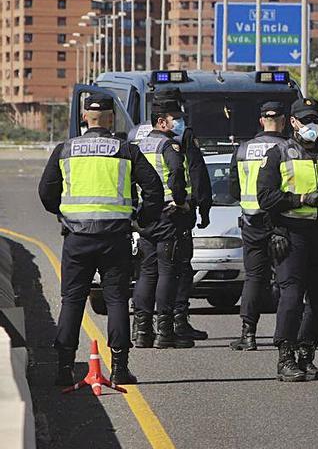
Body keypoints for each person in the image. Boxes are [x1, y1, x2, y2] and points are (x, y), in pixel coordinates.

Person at [39, 94, 164, 386]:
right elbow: (154, 190)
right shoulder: (125, 150)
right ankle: (120, 368)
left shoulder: (65, 149)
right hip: (115, 237)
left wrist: (64, 213)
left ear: (85, 117)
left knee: (72, 300)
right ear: (111, 118)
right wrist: (141, 219)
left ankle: (64, 369)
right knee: (117, 299)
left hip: (77, 237)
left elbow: (46, 193)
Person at [256, 97, 318, 382]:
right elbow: (266, 197)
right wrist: (300, 199)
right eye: (305, 120)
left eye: (315, 119)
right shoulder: (278, 154)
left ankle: (306, 352)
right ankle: (285, 356)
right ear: (293, 122)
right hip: (291, 234)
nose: (311, 125)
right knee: (291, 295)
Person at [131, 90, 194, 349]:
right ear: (161, 122)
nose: (178, 123)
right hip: (168, 215)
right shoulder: (168, 145)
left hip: (144, 216)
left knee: (146, 272)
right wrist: (180, 200)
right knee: (167, 271)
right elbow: (177, 171)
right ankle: (165, 332)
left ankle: (142, 331)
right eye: (174, 118)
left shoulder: (136, 145)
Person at [227, 101, 290, 351]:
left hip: (253, 221)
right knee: (286, 280)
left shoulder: (243, 149)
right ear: (284, 121)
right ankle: (285, 336)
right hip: (283, 221)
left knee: (254, 277)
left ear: (261, 120)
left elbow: (234, 188)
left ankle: (248, 334)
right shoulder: (289, 148)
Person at [168, 91, 213, 343]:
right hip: (178, 213)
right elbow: (197, 173)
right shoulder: (184, 137)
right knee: (182, 269)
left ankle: (145, 328)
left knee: (151, 271)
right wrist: (203, 208)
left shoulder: (139, 136)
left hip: (147, 216)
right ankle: (178, 323)